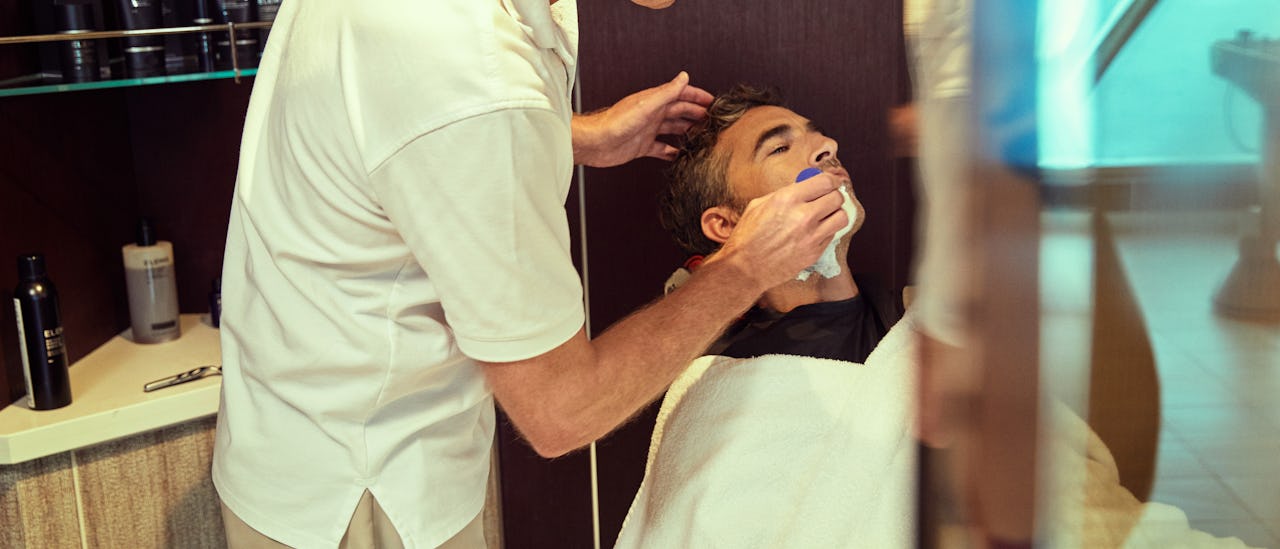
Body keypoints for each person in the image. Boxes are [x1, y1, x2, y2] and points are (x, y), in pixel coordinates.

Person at [212, 0, 850, 547]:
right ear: (722, 224)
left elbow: (402, 126)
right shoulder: (465, 72)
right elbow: (562, 412)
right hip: (360, 490)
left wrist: (556, 134)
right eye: (779, 145)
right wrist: (744, 269)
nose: (824, 151)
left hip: (299, 435)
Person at [659, 84, 905, 363]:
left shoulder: (916, 322)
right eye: (779, 148)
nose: (829, 145)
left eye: (818, 135)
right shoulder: (725, 375)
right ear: (726, 224)